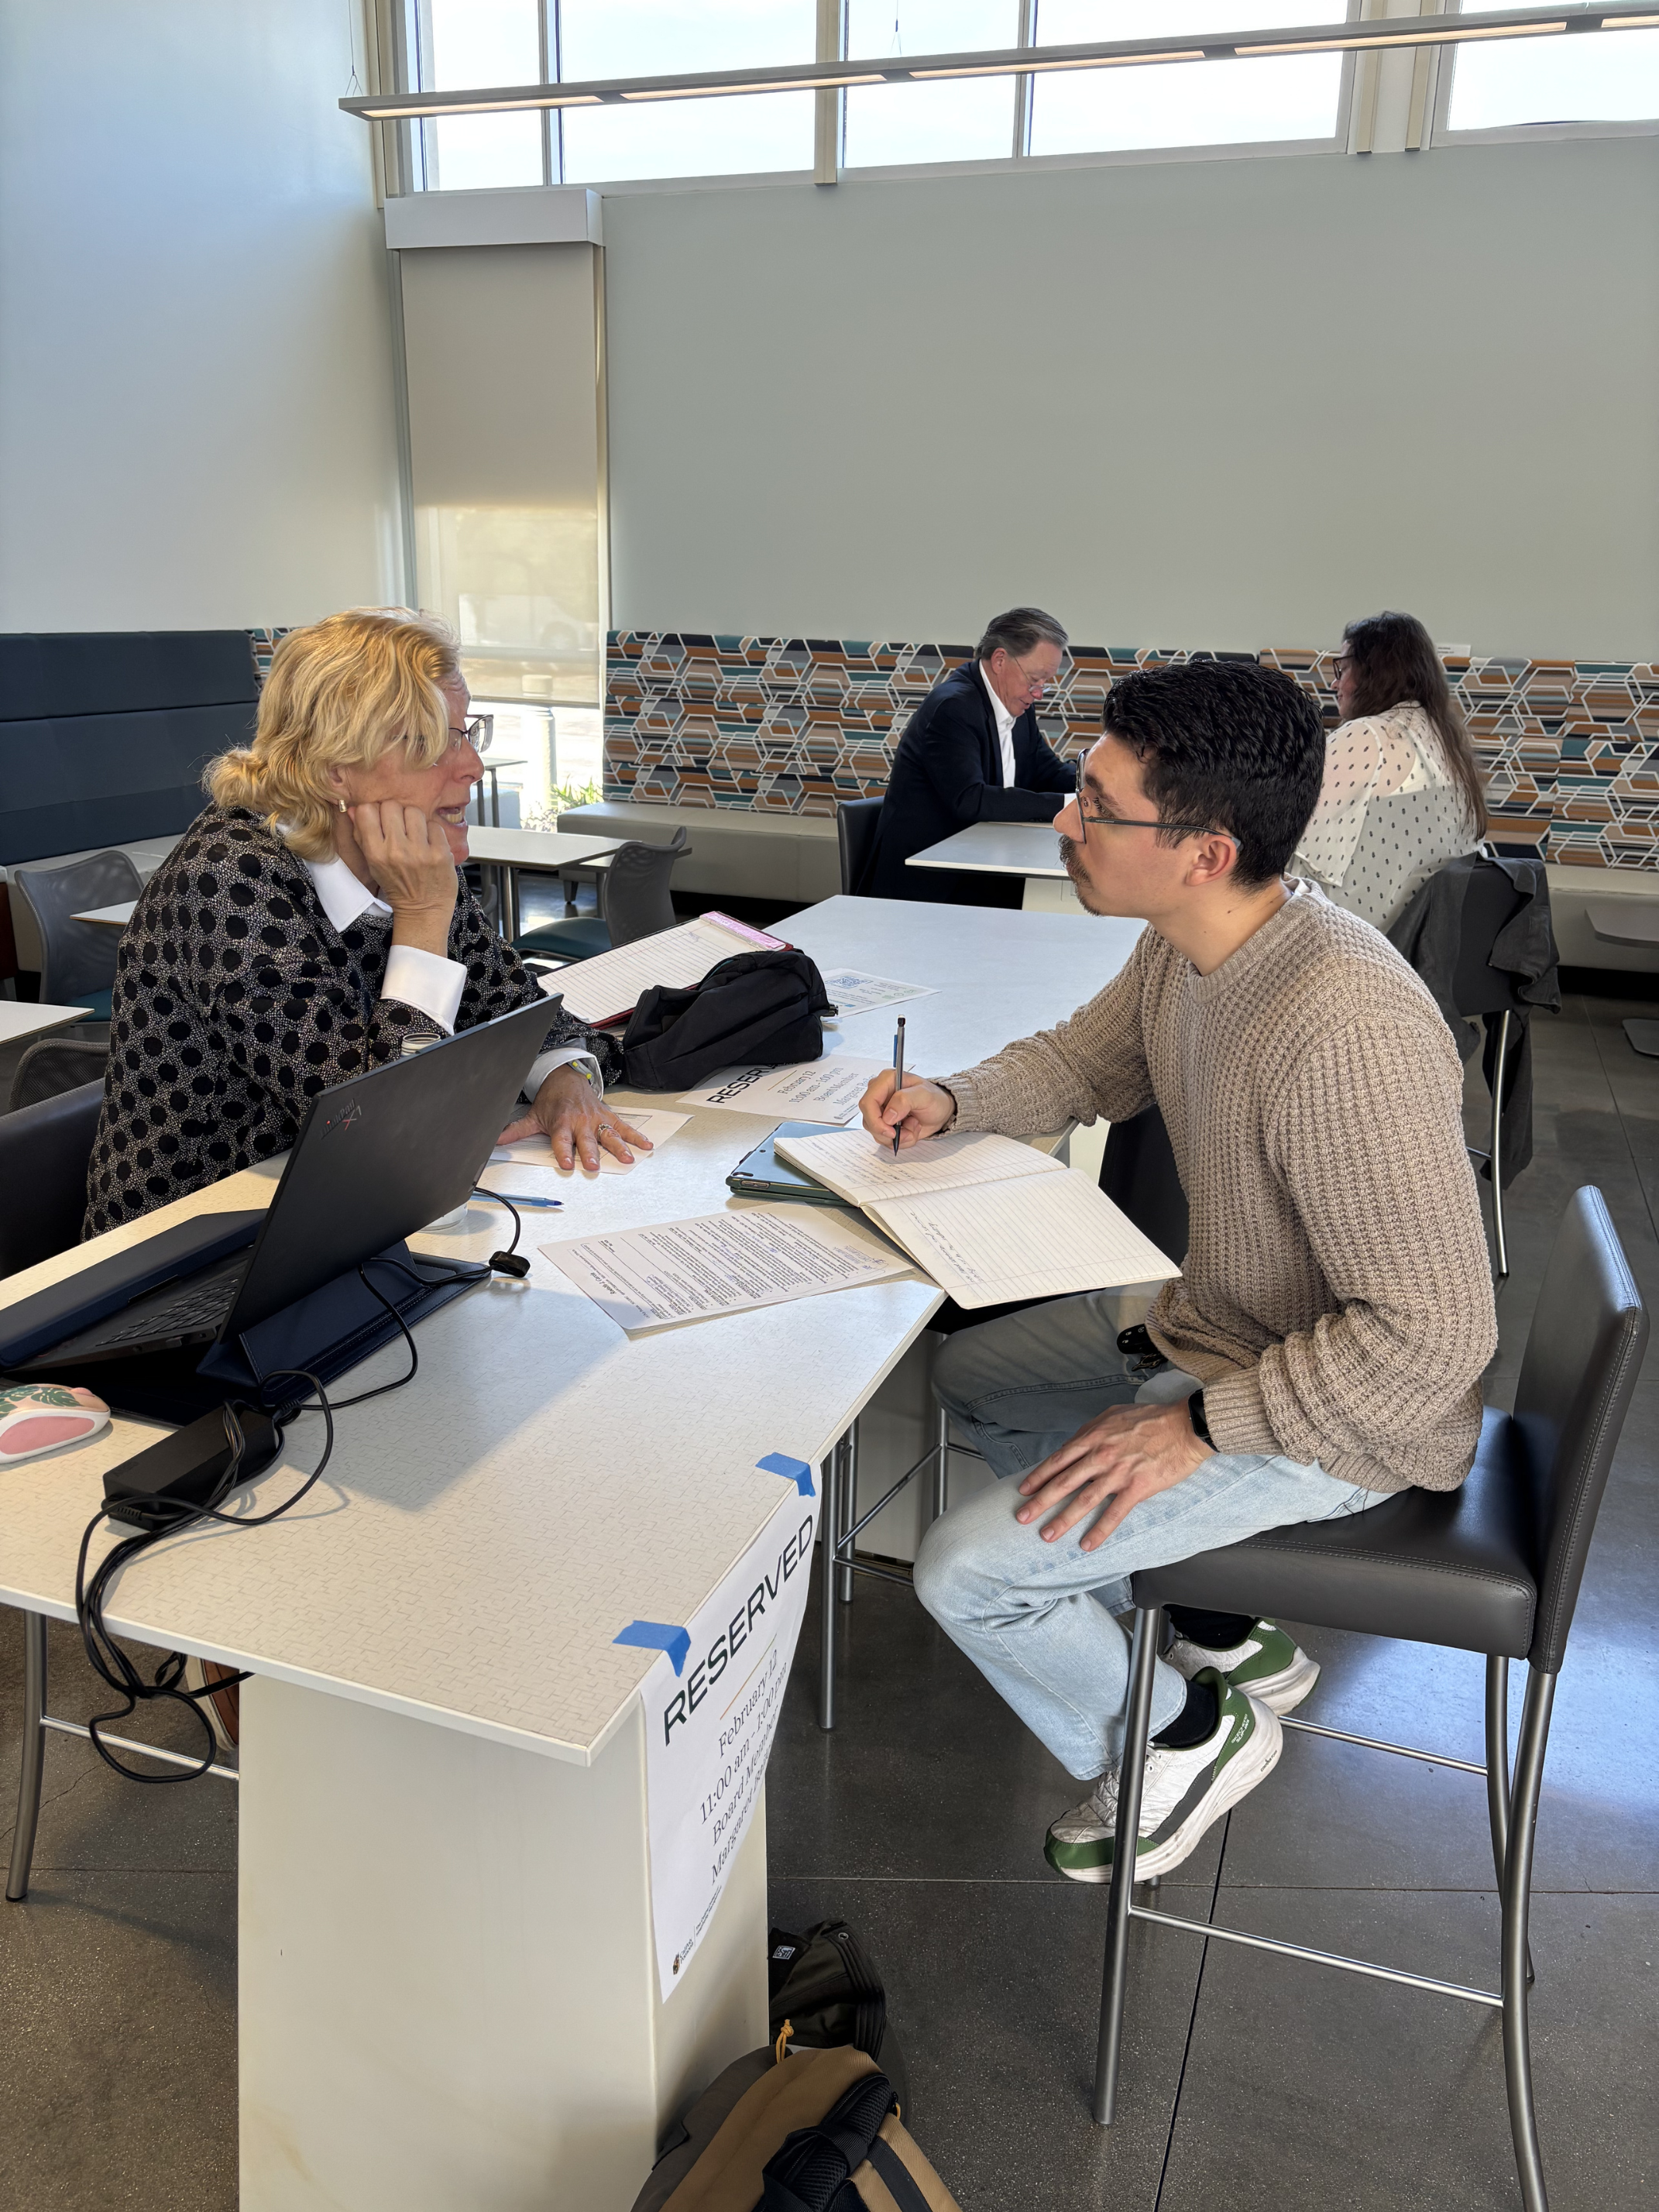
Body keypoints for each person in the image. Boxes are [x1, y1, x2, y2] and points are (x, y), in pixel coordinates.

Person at [857, 659, 1496, 1884]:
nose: (1065, 819)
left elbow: (1434, 1338)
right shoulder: (1189, 947)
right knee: (978, 1374)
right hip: (1220, 1338)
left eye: (1098, 807)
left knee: (965, 1573)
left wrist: (1200, 1430)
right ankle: (1209, 1625)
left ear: (1205, 853)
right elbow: (1080, 1065)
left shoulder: (1344, 1026)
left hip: (1346, 1422)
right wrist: (951, 1098)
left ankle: (1186, 1735)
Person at [85, 607, 651, 1237]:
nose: (471, 765)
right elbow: (378, 1134)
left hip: (324, 1227)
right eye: (433, 743)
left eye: (467, 733)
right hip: (186, 1254)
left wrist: (565, 1077)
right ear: (336, 770)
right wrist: (423, 919)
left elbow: (521, 1008)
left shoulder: (409, 861)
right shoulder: (227, 883)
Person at [861, 607, 1077, 907]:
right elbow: (970, 798)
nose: (1039, 693)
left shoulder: (1016, 702)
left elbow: (1046, 770)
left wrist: (1099, 785)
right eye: (1034, 680)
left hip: (983, 868)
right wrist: (1069, 806)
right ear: (1000, 660)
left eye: (1044, 683)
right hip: (927, 886)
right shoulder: (954, 708)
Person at [1291, 610, 1487, 932]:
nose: (1334, 683)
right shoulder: (1445, 739)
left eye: (1343, 668)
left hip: (1350, 937)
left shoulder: (1369, 735)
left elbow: (1284, 833)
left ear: (1375, 671)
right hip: (1417, 941)